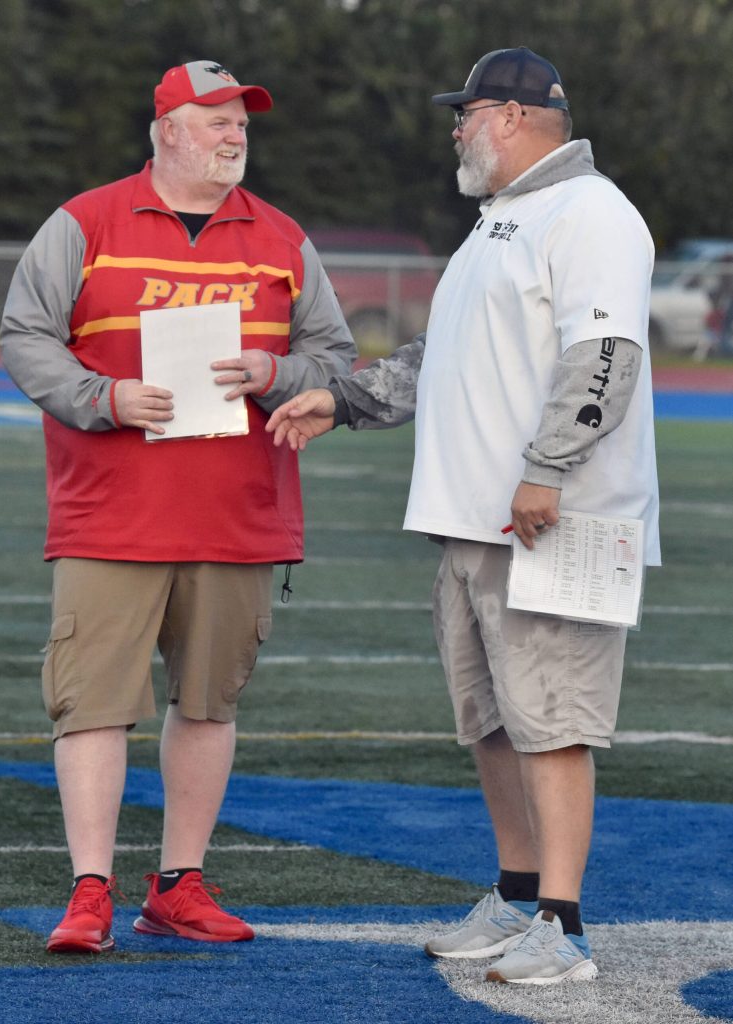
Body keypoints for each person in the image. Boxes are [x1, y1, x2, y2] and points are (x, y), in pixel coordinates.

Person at [266, 47, 660, 986]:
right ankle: (518, 894)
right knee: (490, 721)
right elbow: (439, 353)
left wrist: (546, 470)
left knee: (552, 722)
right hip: (474, 522)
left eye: (468, 111)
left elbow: (605, 354)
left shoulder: (591, 211)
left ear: (518, 117)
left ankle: (560, 930)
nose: (455, 127)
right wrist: (346, 401)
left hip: (549, 522)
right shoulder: (501, 219)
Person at [0, 59, 355, 954]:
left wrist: (279, 374)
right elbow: (24, 335)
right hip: (109, 513)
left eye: (242, 123)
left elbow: (334, 359)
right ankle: (89, 891)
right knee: (92, 705)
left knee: (208, 704)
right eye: (216, 121)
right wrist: (101, 396)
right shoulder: (84, 222)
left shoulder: (280, 237)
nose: (236, 135)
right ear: (166, 130)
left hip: (238, 513)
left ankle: (179, 884)